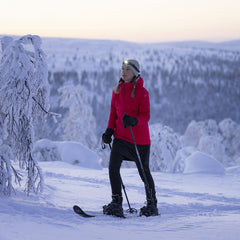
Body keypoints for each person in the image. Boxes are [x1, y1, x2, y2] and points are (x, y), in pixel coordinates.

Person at [102, 59, 158, 217]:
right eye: (122, 69)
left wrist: (134, 120)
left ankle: (152, 204)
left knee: (144, 172)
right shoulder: (117, 91)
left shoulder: (142, 92)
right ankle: (116, 203)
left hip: (139, 141)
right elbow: (113, 114)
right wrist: (109, 131)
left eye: (127, 69)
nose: (124, 72)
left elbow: (145, 116)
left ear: (135, 73)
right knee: (113, 168)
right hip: (120, 138)